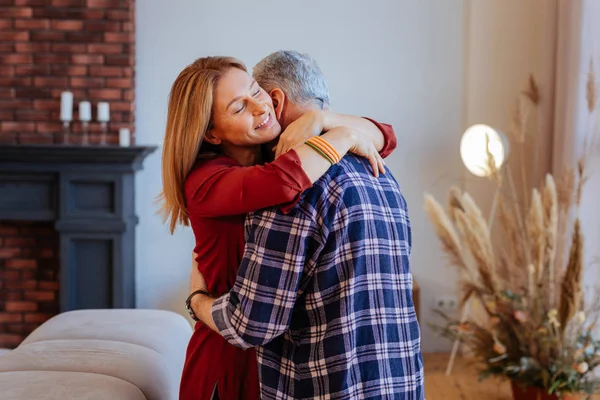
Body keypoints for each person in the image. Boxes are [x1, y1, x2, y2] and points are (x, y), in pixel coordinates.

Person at [160, 51, 397, 400]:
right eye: (238, 107)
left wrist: (321, 117)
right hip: (229, 356)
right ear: (210, 133)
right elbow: (284, 181)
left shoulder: (273, 152)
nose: (260, 107)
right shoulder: (206, 181)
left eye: (256, 91)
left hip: (277, 363)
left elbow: (386, 137)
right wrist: (343, 135)